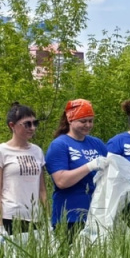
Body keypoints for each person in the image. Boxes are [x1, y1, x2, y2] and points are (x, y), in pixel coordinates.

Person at [45, 98, 109, 236]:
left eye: (90, 121)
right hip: (69, 217)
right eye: (83, 121)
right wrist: (90, 166)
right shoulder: (59, 145)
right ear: (70, 120)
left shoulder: (96, 143)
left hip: (97, 215)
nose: (88, 125)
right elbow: (61, 181)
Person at [0, 102, 46, 245]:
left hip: (35, 218)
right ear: (12, 126)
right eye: (27, 124)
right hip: (10, 217)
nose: (32, 128)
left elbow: (42, 190)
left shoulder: (37, 151)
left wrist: (46, 218)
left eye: (35, 123)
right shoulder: (1, 151)